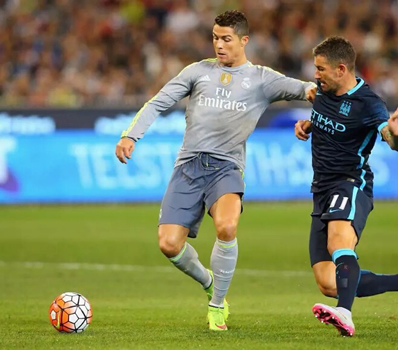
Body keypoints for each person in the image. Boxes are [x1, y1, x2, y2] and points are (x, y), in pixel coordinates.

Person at [115, 10, 315, 331]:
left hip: (227, 167)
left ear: (243, 40)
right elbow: (157, 102)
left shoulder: (262, 79)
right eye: (215, 38)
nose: (219, 45)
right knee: (168, 244)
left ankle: (217, 304)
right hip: (189, 166)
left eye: (226, 39)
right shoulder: (197, 72)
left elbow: (306, 89)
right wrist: (130, 135)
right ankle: (210, 281)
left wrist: (318, 97)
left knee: (226, 226)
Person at [294, 36, 398, 337]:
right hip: (320, 188)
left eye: (320, 69)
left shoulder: (368, 103)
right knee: (328, 282)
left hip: (350, 183)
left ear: (341, 69)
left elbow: (393, 140)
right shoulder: (322, 90)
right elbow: (327, 119)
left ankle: (345, 314)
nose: (315, 75)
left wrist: (396, 133)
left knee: (338, 243)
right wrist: (308, 125)